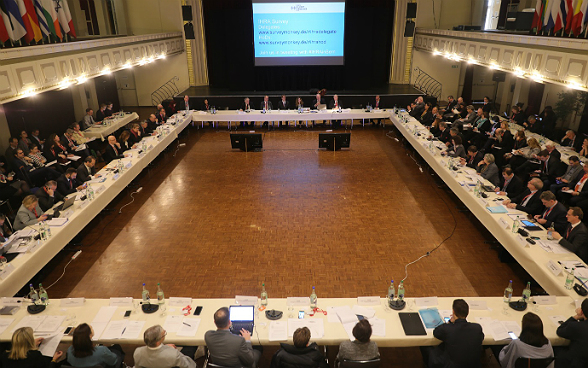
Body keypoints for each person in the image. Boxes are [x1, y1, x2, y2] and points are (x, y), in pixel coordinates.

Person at [421, 299, 484, 368]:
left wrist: (450, 322)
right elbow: (481, 338)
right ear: (467, 313)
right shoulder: (477, 328)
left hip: (450, 365)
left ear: (453, 312)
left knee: (424, 345)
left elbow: (436, 332)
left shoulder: (448, 329)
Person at [555, 298, 588, 368]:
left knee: (556, 348)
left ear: (581, 311)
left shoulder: (576, 327)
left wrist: (576, 317)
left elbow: (560, 331)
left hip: (575, 363)